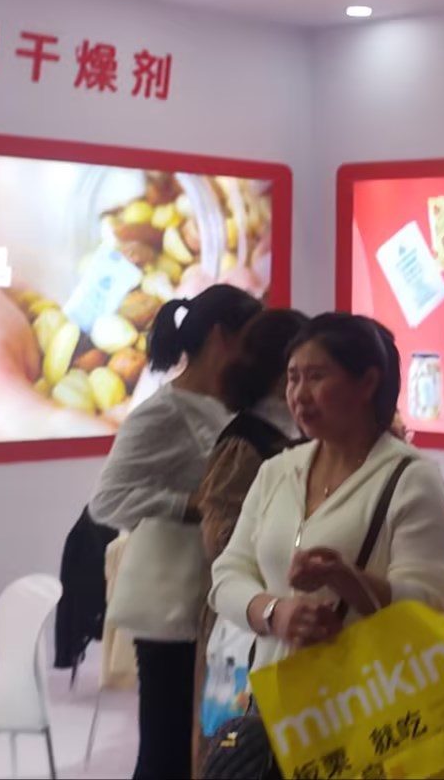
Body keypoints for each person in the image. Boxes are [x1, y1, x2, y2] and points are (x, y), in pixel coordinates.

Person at [88, 283, 263, 780]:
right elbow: (107, 500)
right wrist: (192, 505)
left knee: (208, 746)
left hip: (219, 603)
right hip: (173, 610)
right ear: (222, 337)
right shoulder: (162, 412)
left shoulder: (234, 408)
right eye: (252, 342)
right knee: (166, 750)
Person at [209, 313, 444, 669]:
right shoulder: (278, 470)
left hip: (365, 691)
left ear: (367, 383)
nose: (299, 395)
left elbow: (426, 606)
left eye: (316, 377)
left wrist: (345, 579)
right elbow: (227, 575)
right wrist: (277, 613)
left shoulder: (412, 479)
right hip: (275, 691)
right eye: (293, 378)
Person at [188, 308, 307, 769]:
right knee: (240, 751)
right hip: (247, 620)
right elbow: (221, 538)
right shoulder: (248, 440)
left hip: (286, 620)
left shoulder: (297, 434)